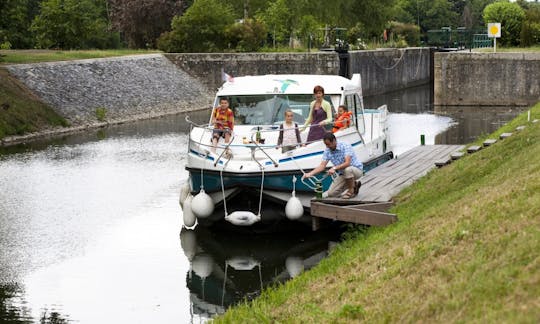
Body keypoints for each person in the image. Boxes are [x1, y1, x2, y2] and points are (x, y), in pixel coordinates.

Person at [302, 132, 362, 199]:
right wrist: (310, 174)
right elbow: (322, 166)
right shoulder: (327, 150)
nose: (327, 146)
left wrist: (334, 168)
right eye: (325, 144)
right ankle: (354, 184)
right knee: (331, 193)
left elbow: (347, 163)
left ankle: (351, 191)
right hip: (343, 174)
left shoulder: (345, 146)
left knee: (347, 170)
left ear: (334, 141)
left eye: (328, 144)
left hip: (356, 170)